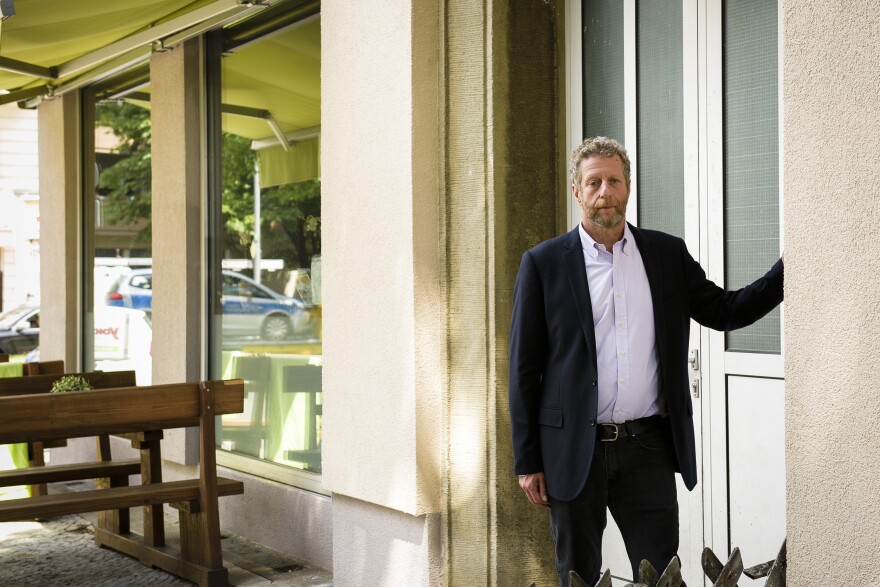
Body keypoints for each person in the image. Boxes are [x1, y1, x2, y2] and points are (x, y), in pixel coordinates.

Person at [508, 136, 783, 586]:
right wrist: (527, 459)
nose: (605, 192)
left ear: (629, 187)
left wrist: (785, 272)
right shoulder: (543, 265)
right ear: (577, 191)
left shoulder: (665, 254)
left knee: (658, 574)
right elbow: (523, 369)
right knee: (577, 575)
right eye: (593, 182)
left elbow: (723, 309)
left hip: (647, 448)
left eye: (614, 181)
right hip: (574, 451)